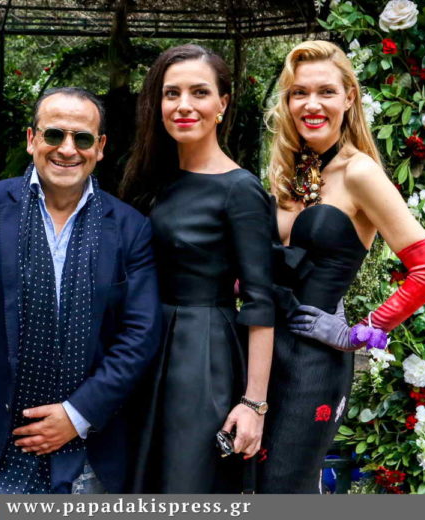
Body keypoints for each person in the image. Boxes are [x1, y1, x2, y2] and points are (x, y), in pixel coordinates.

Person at [0, 87, 161, 494]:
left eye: (82, 138)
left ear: (100, 147)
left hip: (89, 452)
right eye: (54, 135)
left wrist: (77, 414)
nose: (67, 149)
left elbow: (140, 335)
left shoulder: (130, 228)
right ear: (32, 139)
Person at [258, 40, 425, 493]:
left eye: (325, 91)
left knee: (283, 488)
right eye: (299, 93)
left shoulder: (359, 173)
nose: (311, 104)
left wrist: (359, 333)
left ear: (349, 98)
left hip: (314, 364)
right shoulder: (290, 172)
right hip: (262, 353)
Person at [120, 44, 276, 493]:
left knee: (187, 482)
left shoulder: (240, 189)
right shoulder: (152, 178)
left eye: (199, 92)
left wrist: (254, 404)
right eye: (171, 94)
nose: (183, 105)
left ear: (222, 104)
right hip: (147, 347)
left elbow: (260, 301)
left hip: (202, 355)